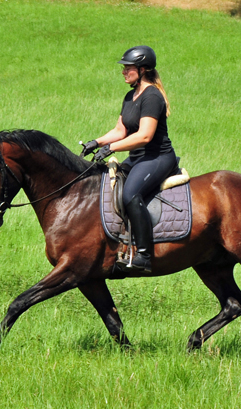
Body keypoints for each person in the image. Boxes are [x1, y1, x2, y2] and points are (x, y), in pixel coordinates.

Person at [82, 45, 178, 273]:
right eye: (123, 68)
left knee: (130, 194)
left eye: (128, 68)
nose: (124, 72)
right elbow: (120, 130)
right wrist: (96, 142)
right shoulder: (130, 95)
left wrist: (111, 148)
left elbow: (144, 136)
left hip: (158, 158)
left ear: (143, 69)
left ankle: (144, 255)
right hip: (138, 158)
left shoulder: (152, 96)